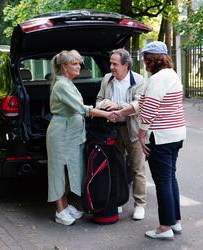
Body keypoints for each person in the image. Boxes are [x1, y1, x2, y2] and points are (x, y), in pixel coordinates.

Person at [110, 41, 186, 240]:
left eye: (144, 58)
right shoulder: (172, 74)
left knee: (162, 182)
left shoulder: (157, 79)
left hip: (160, 137)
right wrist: (121, 111)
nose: (143, 62)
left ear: (152, 59)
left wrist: (141, 135)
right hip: (176, 135)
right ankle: (175, 221)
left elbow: (149, 109)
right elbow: (142, 103)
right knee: (170, 179)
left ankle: (164, 227)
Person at [46, 50, 111, 226]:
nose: (79, 66)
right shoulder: (61, 85)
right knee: (58, 172)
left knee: (71, 170)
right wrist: (107, 115)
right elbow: (82, 109)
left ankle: (66, 205)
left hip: (72, 135)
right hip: (61, 135)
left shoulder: (68, 83)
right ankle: (60, 210)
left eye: (79, 63)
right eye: (75, 63)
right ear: (64, 66)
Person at [96, 48, 147, 220]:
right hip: (112, 130)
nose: (111, 67)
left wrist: (117, 105)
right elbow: (98, 99)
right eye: (110, 63)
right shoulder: (107, 79)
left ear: (126, 65)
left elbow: (138, 105)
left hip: (132, 129)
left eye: (114, 64)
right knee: (116, 167)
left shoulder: (139, 80)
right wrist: (104, 104)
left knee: (137, 168)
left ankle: (140, 204)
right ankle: (117, 201)